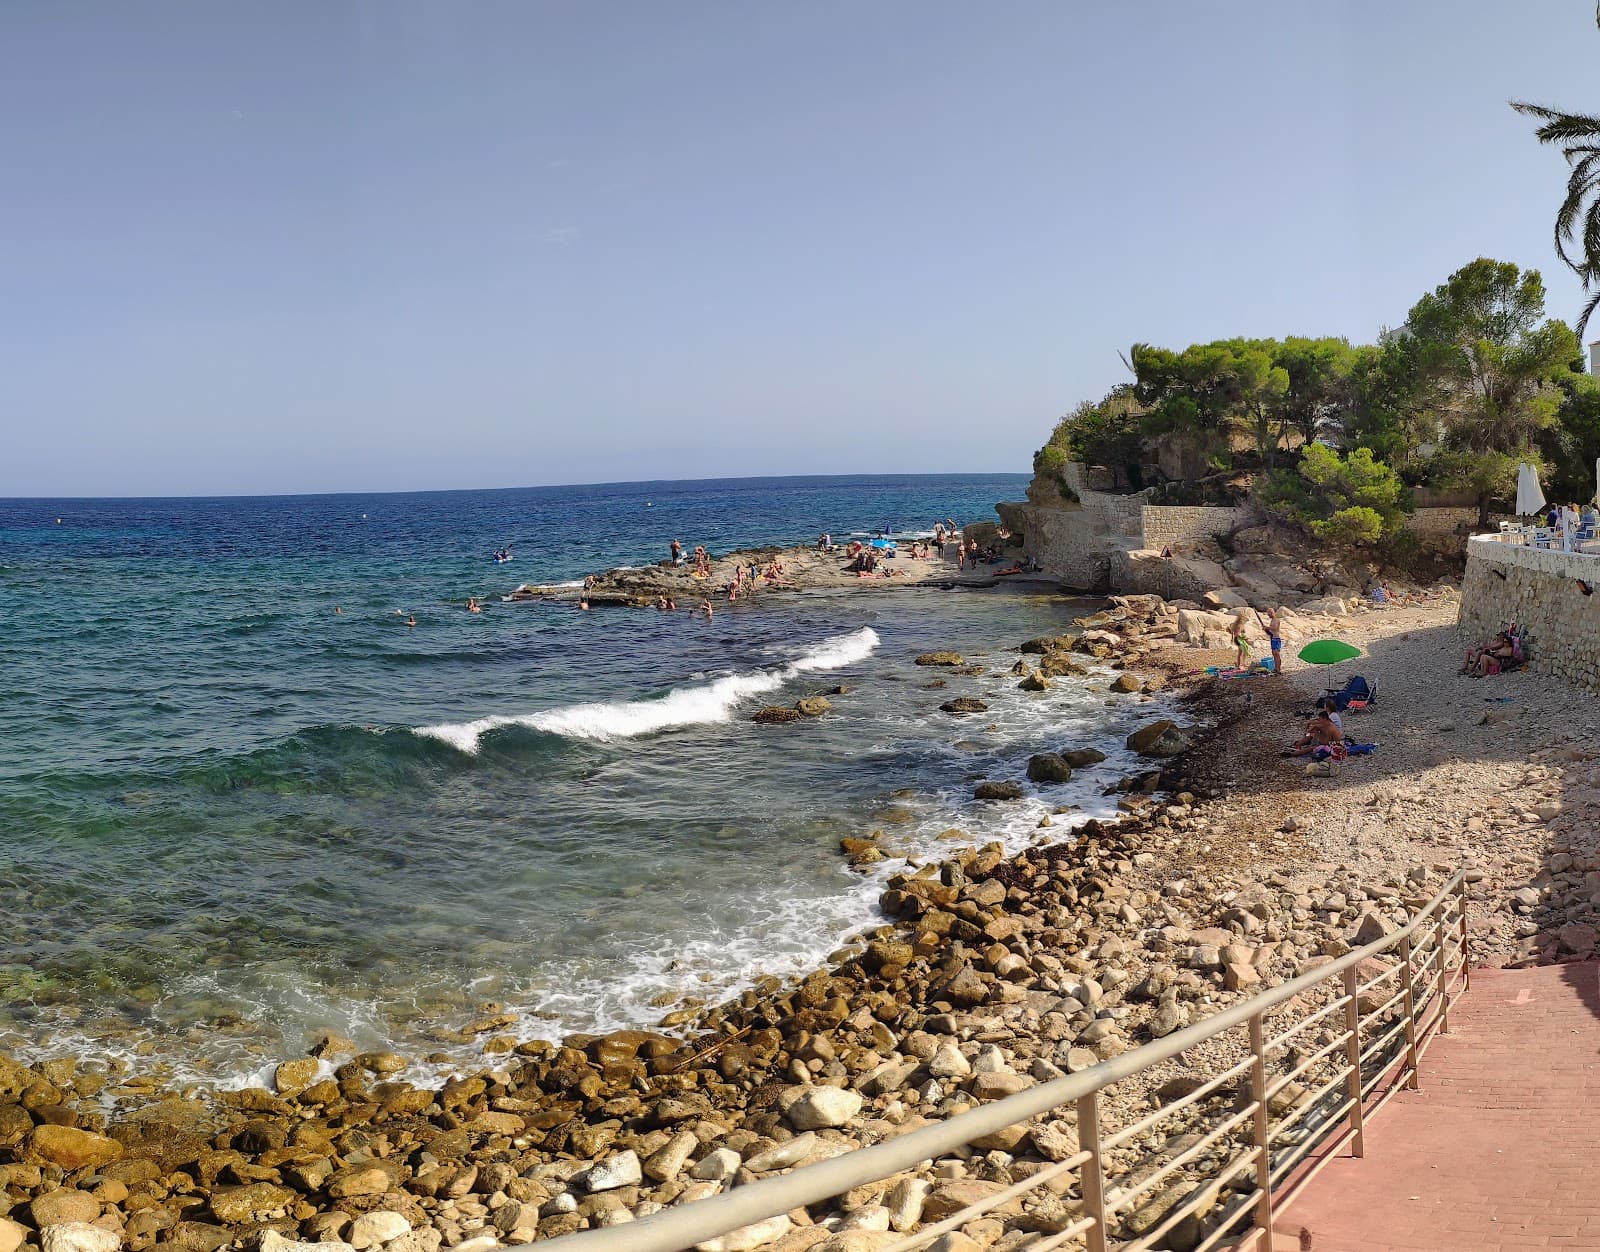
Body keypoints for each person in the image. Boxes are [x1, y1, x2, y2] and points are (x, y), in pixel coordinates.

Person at [1256, 606, 1282, 672]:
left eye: (1269, 614)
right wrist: (1266, 629)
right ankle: (1276, 668)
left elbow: (1275, 628)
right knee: (1274, 654)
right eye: (1268, 614)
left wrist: (1267, 628)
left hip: (1276, 639)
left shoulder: (1276, 620)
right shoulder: (1272, 620)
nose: (1268, 615)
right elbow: (1271, 631)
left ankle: (1278, 669)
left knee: (1277, 654)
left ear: (1273, 613)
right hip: (1273, 638)